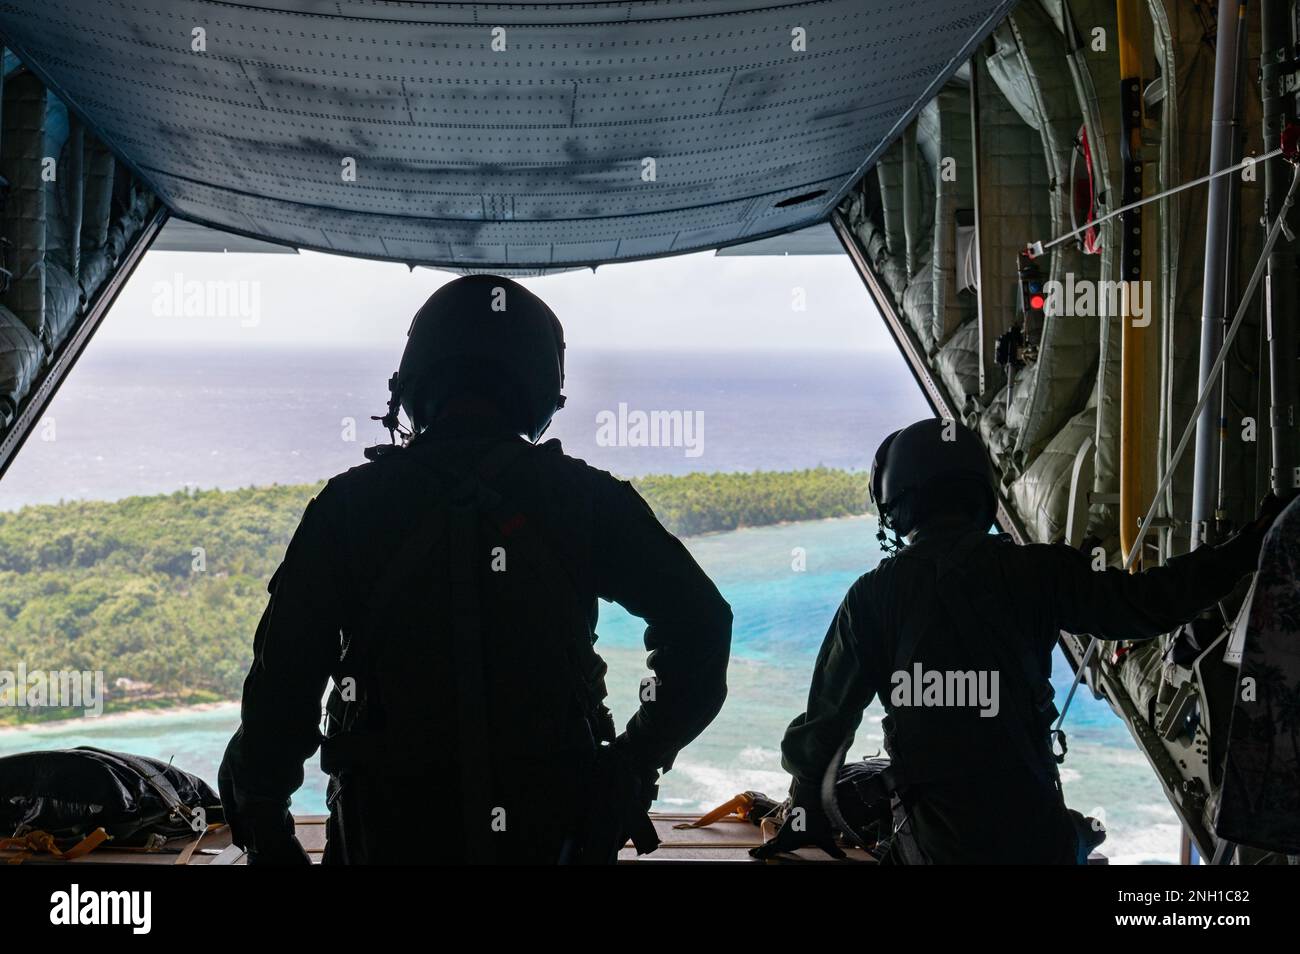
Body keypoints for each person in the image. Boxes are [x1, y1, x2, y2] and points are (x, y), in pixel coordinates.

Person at [218, 275, 732, 864]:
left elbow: (282, 688)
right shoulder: (583, 500)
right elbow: (702, 624)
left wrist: (267, 825)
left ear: (414, 384)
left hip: (388, 836)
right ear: (540, 390)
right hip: (551, 836)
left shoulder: (348, 508)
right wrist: (636, 759)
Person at [755, 417, 1283, 864]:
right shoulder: (1040, 572)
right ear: (979, 491)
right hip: (1035, 839)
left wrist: (804, 820)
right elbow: (1150, 604)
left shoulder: (872, 597)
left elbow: (827, 726)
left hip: (941, 848)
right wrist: (1247, 546)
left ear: (899, 505)